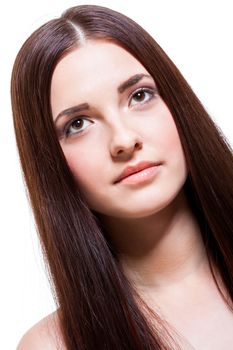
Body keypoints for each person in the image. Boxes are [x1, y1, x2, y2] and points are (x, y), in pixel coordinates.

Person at [11, 4, 233, 350]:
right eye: (78, 124)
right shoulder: (51, 346)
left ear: (178, 104)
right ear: (49, 162)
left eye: (139, 96)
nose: (124, 140)